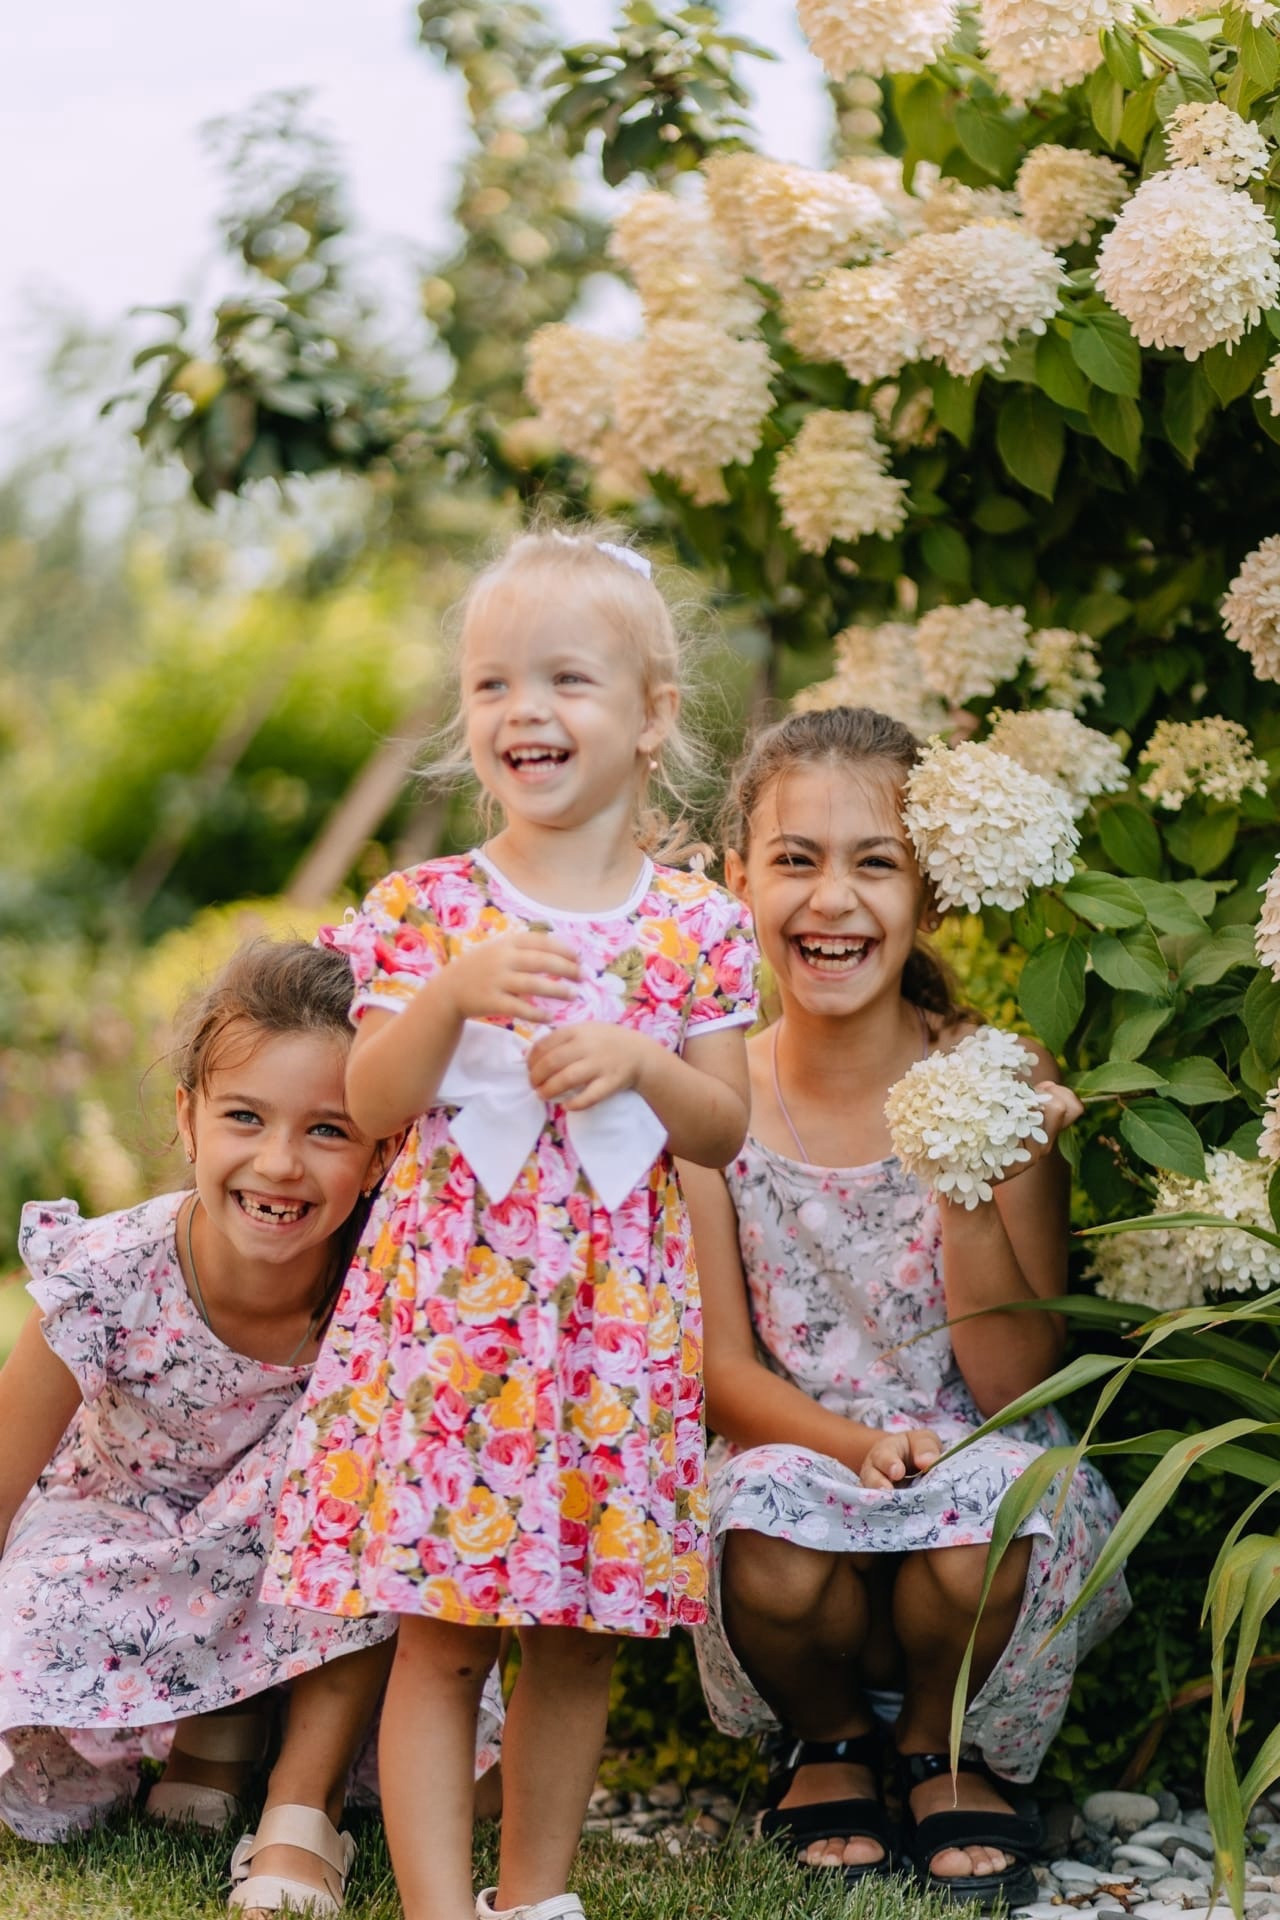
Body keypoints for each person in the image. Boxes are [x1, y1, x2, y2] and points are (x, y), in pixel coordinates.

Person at [261, 527, 759, 1920]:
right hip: (455, 1327)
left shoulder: (696, 929)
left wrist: (646, 1065)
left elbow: (725, 1130)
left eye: (566, 680)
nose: (522, 712)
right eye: (490, 684)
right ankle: (436, 1906)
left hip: (609, 1334)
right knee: (440, 1636)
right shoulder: (423, 911)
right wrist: (449, 996)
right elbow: (369, 1098)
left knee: (578, 1639)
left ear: (654, 718)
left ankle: (533, 1895)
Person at [684, 706, 1131, 1912]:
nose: (833, 899)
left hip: (972, 1464)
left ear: (927, 894)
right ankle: (827, 1738)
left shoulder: (996, 1076)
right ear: (738, 882)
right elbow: (722, 1373)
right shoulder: (708, 1099)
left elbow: (1012, 1381)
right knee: (760, 1529)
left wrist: (970, 1184)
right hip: (800, 1450)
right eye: (794, 860)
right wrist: (851, 1447)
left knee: (988, 1509)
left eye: (873, 862)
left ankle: (940, 1747)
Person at [0, 939, 502, 1919]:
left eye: (327, 1128)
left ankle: (297, 1807)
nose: (279, 1163)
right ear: (187, 1119)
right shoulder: (105, 1274)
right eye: (244, 1117)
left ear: (382, 1153)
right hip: (127, 1547)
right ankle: (216, 1728)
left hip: (314, 1578)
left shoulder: (393, 1292)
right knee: (28, 1615)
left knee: (375, 1510)